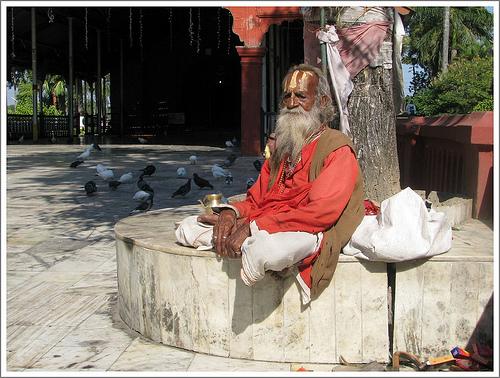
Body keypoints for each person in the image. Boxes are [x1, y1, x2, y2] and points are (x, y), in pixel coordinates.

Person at [175, 63, 365, 304]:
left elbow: (320, 214)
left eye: (301, 96)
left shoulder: (336, 148)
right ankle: (244, 242)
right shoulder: (283, 149)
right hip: (267, 224)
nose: (292, 103)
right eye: (287, 96)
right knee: (187, 227)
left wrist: (253, 227)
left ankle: (249, 243)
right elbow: (256, 200)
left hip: (309, 231)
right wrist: (230, 215)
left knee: (269, 250)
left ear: (323, 102)